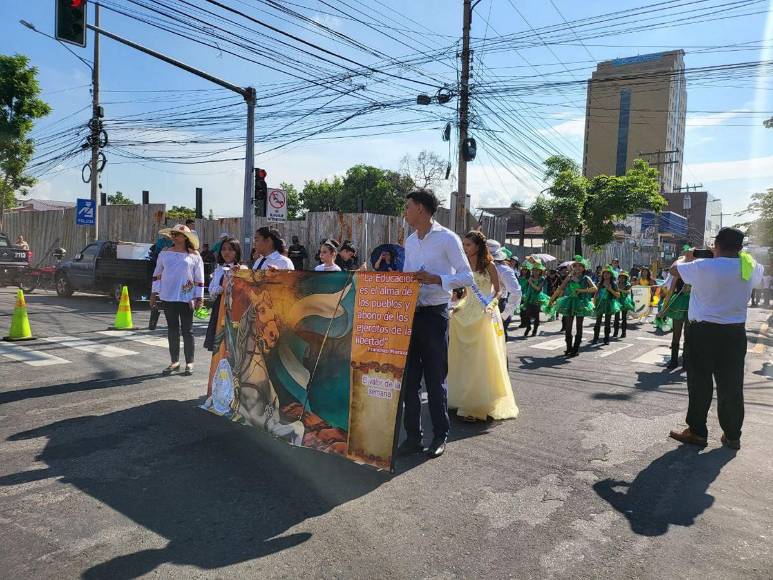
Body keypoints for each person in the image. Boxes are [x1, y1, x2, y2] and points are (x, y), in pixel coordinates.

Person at [668, 227, 764, 450]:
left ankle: (698, 432)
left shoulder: (703, 265)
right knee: (731, 385)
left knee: (700, 383)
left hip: (703, 333)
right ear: (740, 248)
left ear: (716, 244)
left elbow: (674, 270)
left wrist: (687, 256)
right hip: (734, 334)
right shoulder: (751, 267)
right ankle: (732, 436)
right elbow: (752, 268)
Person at [400, 190, 473, 459]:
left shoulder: (447, 238)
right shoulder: (410, 241)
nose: (405, 212)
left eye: (407, 207)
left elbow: (467, 277)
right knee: (409, 381)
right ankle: (412, 437)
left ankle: (440, 434)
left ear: (421, 208)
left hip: (435, 315)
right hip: (410, 314)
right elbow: (408, 275)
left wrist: (436, 279)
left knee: (434, 379)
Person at [448, 231, 518, 423]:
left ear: (478, 246)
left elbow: (498, 290)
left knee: (481, 357)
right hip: (466, 311)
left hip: (485, 311)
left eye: (468, 245)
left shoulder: (490, 265)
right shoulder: (462, 266)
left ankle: (478, 403)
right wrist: (456, 306)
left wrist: (492, 305)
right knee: (464, 357)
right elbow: (462, 293)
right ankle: (463, 397)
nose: (464, 248)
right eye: (463, 244)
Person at [150, 224, 204, 376]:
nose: (174, 236)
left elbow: (199, 278)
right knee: (172, 330)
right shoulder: (164, 253)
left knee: (188, 331)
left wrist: (199, 297)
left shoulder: (194, 255)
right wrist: (154, 293)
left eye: (178, 234)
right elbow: (157, 273)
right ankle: (175, 361)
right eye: (173, 233)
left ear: (186, 238)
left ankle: (190, 362)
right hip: (168, 297)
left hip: (187, 298)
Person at [549, 255, 596, 357]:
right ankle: (568, 348)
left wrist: (581, 290)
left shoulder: (586, 278)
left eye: (580, 266)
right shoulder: (569, 277)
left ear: (583, 268)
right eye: (575, 266)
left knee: (579, 326)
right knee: (568, 327)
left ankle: (575, 348)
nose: (577, 268)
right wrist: (552, 299)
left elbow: (594, 289)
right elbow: (560, 289)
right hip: (569, 303)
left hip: (581, 303)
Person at [204, 237, 245, 351]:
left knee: (233, 344)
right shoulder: (219, 269)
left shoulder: (242, 269)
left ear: (237, 251)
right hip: (219, 307)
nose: (226, 252)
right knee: (219, 343)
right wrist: (219, 289)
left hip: (235, 309)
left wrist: (237, 275)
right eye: (223, 249)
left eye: (231, 249)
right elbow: (211, 292)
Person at [487, 240, 521, 340]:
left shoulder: (503, 269)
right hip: (478, 307)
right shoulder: (476, 267)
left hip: (497, 306)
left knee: (498, 338)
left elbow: (516, 292)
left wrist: (505, 314)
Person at [658, 275, 691, 369]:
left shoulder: (695, 272)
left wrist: (691, 290)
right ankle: (674, 361)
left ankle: (686, 361)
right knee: (676, 334)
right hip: (679, 304)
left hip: (691, 304)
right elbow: (670, 292)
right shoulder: (678, 274)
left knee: (688, 335)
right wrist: (663, 309)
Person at [592, 266, 621, 345]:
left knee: (607, 322)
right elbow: (596, 293)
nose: (606, 274)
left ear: (611, 275)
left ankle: (606, 338)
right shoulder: (600, 283)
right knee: (598, 321)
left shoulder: (613, 284)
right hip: (600, 303)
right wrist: (594, 301)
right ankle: (595, 338)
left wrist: (610, 289)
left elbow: (618, 295)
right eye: (604, 273)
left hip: (609, 304)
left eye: (608, 273)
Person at [522, 260, 548, 338]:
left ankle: (535, 330)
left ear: (540, 271)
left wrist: (531, 283)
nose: (534, 272)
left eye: (536, 270)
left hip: (537, 298)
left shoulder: (542, 279)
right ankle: (528, 327)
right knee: (527, 315)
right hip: (529, 297)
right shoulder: (530, 277)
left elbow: (538, 289)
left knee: (536, 316)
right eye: (533, 270)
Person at [613, 271, 634, 338]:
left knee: (624, 318)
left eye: (623, 277)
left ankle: (623, 332)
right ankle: (615, 332)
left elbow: (628, 292)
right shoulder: (616, 283)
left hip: (624, 302)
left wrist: (619, 290)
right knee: (616, 318)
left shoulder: (628, 284)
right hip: (617, 301)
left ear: (626, 278)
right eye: (620, 277)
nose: (621, 279)